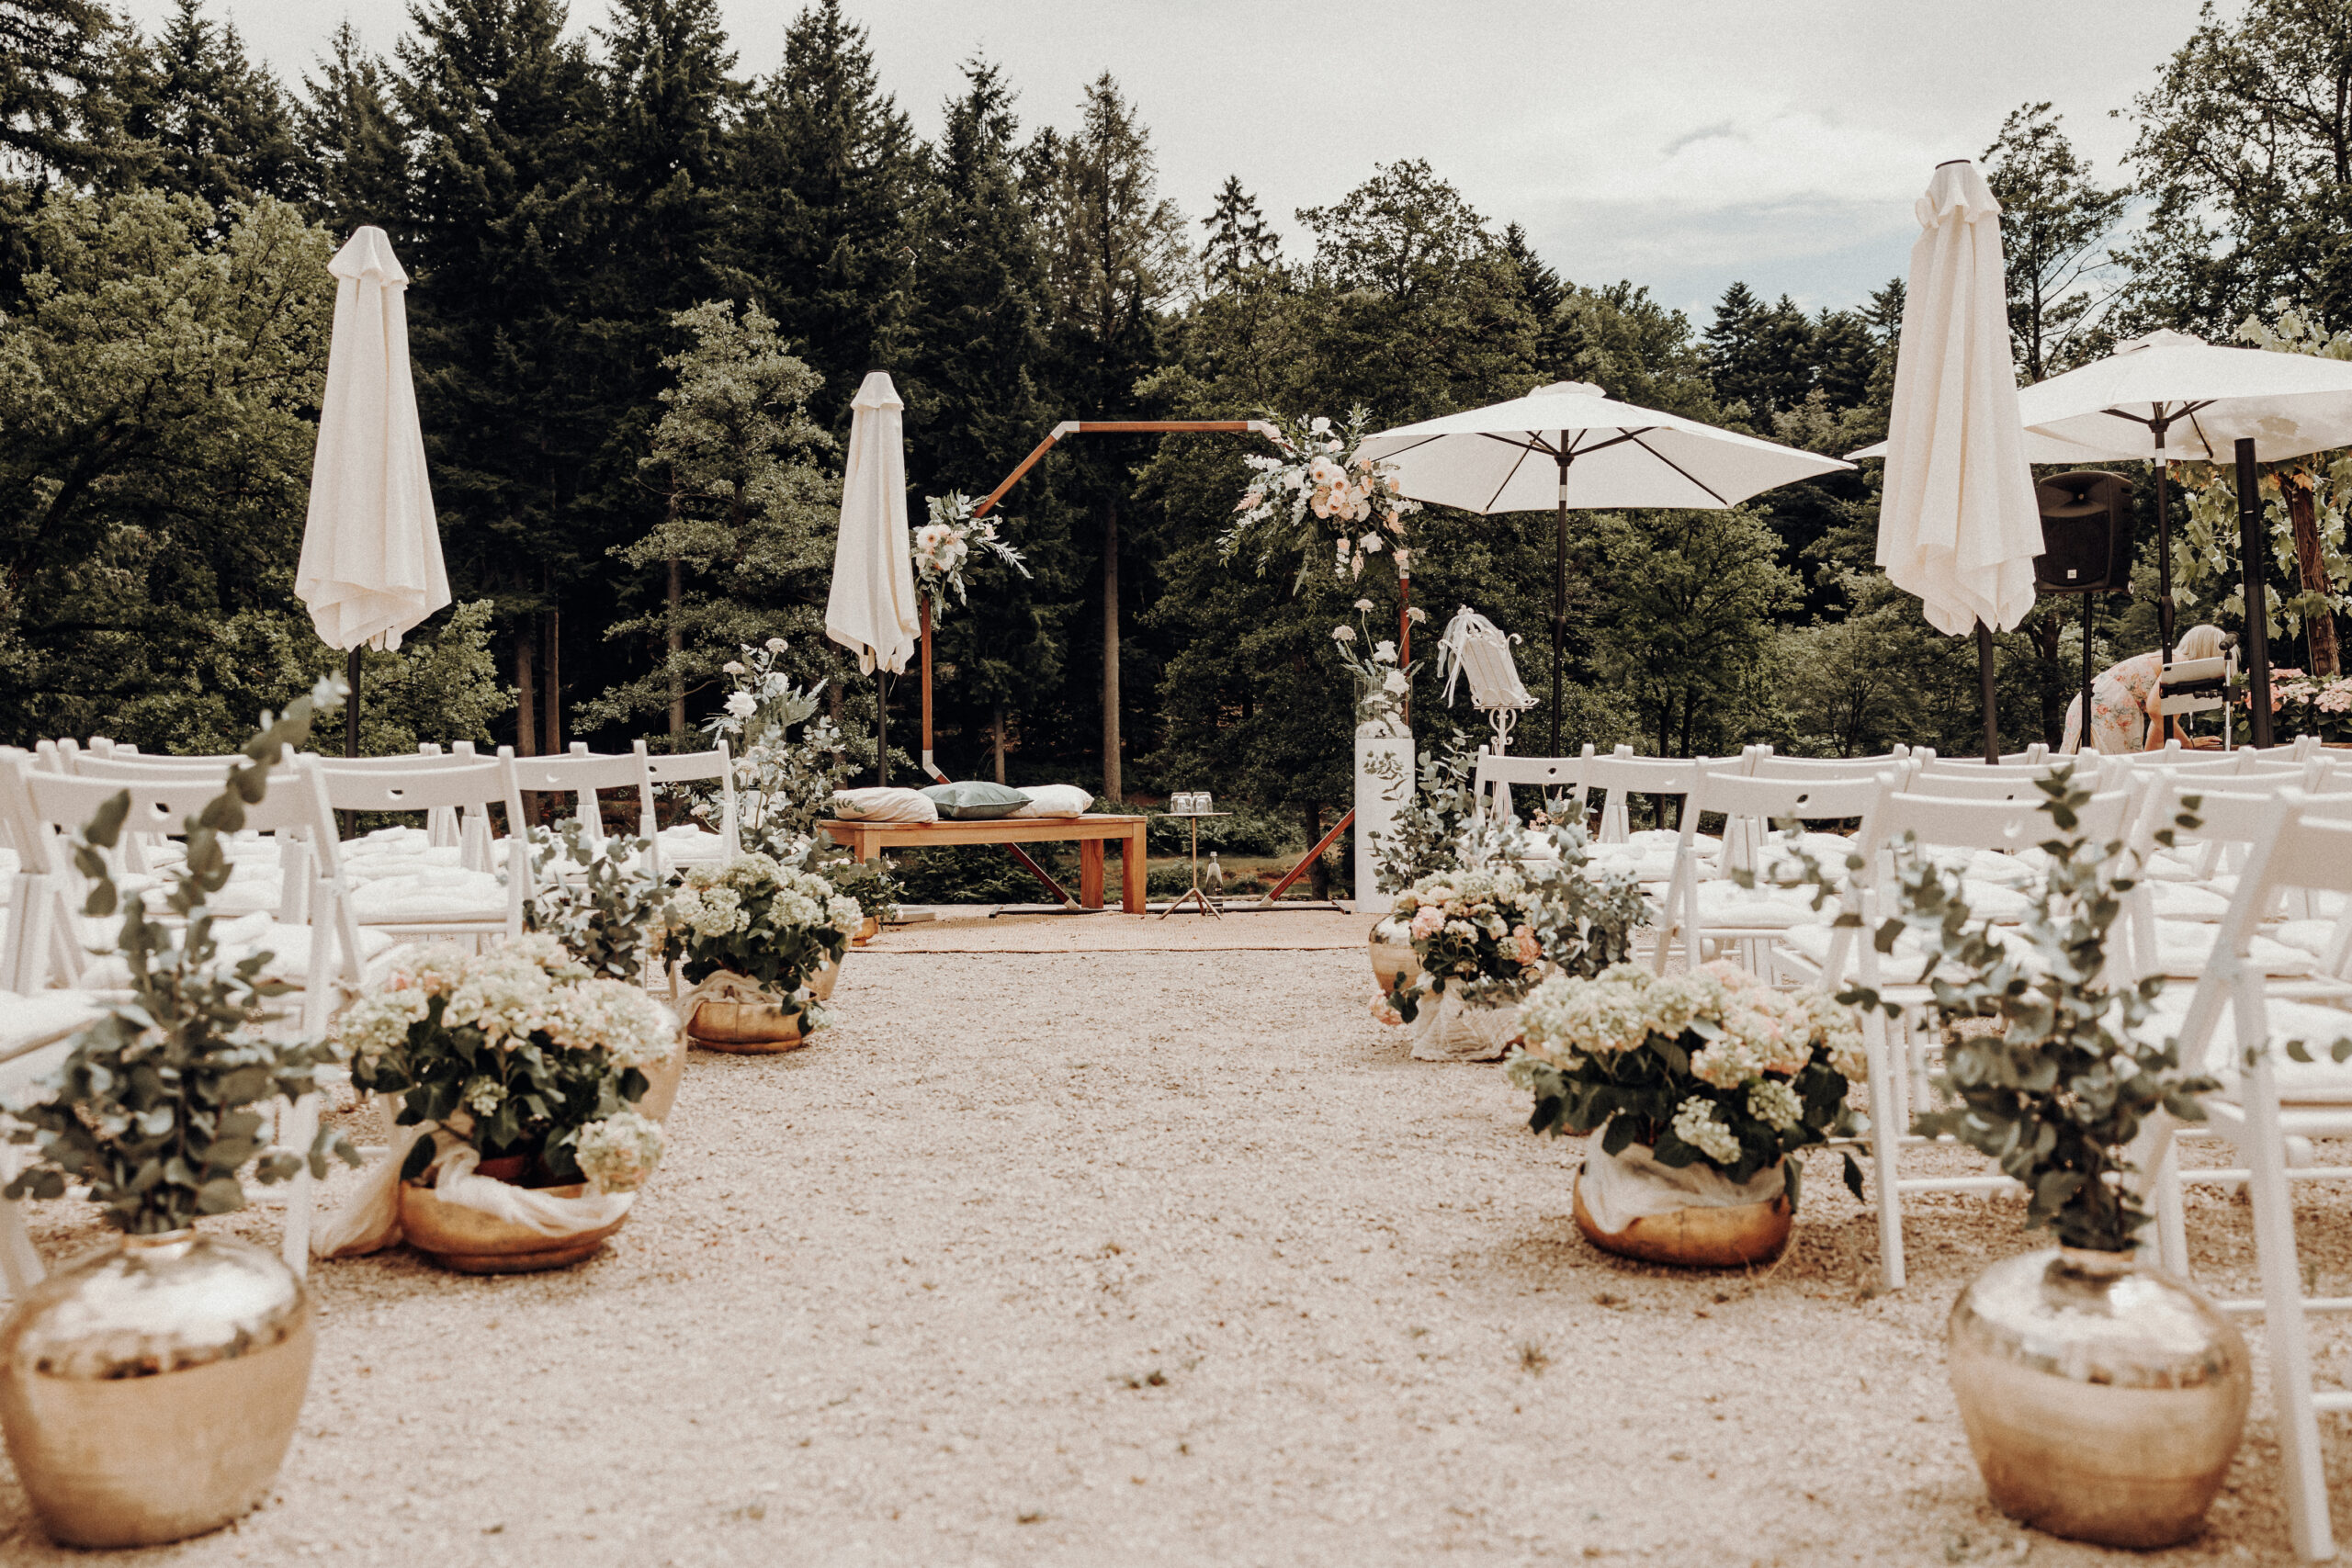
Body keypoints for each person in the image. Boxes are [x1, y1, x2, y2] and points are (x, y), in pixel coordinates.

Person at [2061, 624, 2230, 754]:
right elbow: (2156, 710)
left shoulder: (2173, 663)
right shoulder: (2179, 663)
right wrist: (2187, 743)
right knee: (2110, 773)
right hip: (2104, 707)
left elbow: (2158, 734)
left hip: (2098, 703)